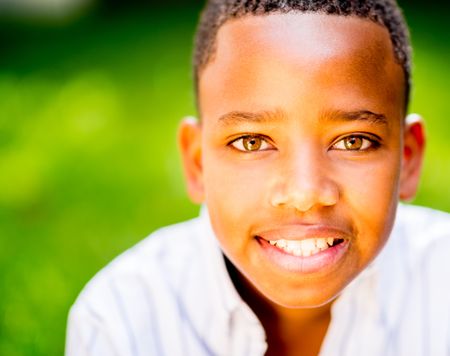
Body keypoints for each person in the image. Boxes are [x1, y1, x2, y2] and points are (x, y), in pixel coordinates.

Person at [66, 1, 450, 355]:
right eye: (251, 142)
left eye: (353, 141)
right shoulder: (122, 321)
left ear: (408, 159)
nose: (305, 193)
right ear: (197, 163)